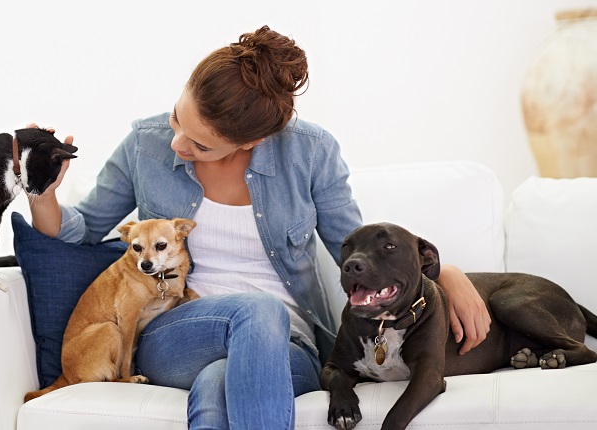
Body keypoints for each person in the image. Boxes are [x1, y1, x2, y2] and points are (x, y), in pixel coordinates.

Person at [28, 25, 491, 430]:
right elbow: (84, 229)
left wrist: (441, 274)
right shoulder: (144, 145)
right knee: (259, 310)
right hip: (178, 333)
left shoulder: (310, 152)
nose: (176, 142)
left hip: (289, 345)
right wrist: (42, 194)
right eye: (176, 117)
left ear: (251, 141)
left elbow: (357, 251)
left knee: (218, 382)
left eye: (199, 144)